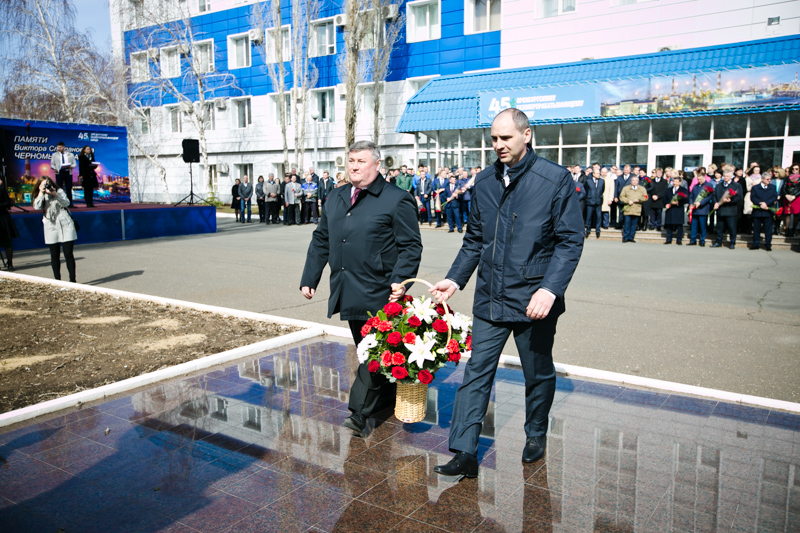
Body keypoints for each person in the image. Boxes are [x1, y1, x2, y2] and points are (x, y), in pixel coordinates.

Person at [429, 108, 583, 478]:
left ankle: (536, 434)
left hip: (535, 300)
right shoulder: (484, 181)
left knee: (538, 372)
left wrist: (550, 289)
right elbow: (474, 241)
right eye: (494, 139)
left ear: (526, 135)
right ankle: (465, 452)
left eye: (506, 138)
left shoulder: (554, 179)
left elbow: (569, 241)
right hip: (490, 297)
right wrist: (455, 279)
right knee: (477, 371)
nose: (497, 145)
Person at [300, 140, 422, 434]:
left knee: (372, 352)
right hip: (347, 287)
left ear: (377, 165)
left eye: (361, 161)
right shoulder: (337, 196)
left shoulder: (396, 199)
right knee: (367, 350)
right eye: (351, 160)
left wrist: (400, 279)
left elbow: (410, 246)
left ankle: (358, 412)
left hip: (380, 290)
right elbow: (322, 239)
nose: (354, 166)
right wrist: (310, 277)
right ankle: (386, 394)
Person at [33, 177, 78, 282]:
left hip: (65, 223)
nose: (46, 186)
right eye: (43, 185)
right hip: (51, 226)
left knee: (68, 254)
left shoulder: (59, 191)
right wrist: (41, 193)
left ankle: (73, 280)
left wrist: (55, 195)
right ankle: (57, 280)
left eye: (47, 184)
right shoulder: (41, 195)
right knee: (54, 254)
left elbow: (66, 203)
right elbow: (37, 207)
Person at [711, 168, 743, 249]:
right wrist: (715, 202)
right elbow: (714, 195)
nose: (725, 178)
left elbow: (739, 197)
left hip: (731, 210)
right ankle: (718, 242)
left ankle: (732, 242)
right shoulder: (719, 185)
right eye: (724, 176)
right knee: (719, 227)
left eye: (727, 176)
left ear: (731, 177)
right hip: (721, 210)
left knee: (732, 227)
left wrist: (730, 200)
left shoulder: (736, 185)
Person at [750, 172, 778, 251]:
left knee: (768, 229)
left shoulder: (772, 187)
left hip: (768, 212)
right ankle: (756, 244)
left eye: (770, 179)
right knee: (756, 229)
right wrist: (760, 204)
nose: (769, 181)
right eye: (767, 179)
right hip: (758, 212)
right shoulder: (755, 188)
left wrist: (766, 204)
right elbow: (753, 197)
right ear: (762, 179)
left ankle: (768, 244)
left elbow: (774, 197)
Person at [619, 176, 648, 243]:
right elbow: (621, 197)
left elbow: (646, 196)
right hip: (628, 209)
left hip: (636, 209)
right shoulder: (625, 188)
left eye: (636, 180)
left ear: (638, 182)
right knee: (627, 224)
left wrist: (639, 200)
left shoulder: (642, 188)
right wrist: (628, 201)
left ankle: (631, 237)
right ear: (631, 181)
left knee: (634, 225)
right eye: (633, 180)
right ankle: (626, 237)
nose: (634, 182)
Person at [689, 170, 713, 247]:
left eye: (701, 179)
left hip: (703, 209)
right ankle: (693, 240)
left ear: (704, 177)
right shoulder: (695, 186)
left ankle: (702, 240)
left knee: (703, 226)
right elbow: (691, 196)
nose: (699, 181)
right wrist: (691, 204)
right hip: (695, 209)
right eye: (698, 179)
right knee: (694, 226)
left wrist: (700, 203)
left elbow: (709, 197)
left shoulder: (708, 185)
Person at [0, 176, 19, 271]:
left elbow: (8, 202)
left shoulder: (1, 188)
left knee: (7, 242)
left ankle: (10, 263)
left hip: (2, 218)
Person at [663, 175, 688, 245]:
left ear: (680, 182)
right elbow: (664, 199)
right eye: (674, 181)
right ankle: (669, 239)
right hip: (670, 210)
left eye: (676, 182)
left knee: (679, 226)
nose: (674, 183)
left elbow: (686, 200)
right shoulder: (668, 190)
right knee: (669, 225)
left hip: (678, 210)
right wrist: (666, 204)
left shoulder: (683, 190)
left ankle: (679, 240)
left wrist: (678, 203)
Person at [50, 142, 76, 207]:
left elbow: (74, 164)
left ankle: (70, 203)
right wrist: (54, 168)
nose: (59, 148)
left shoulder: (70, 155)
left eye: (60, 147)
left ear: (64, 147)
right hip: (59, 173)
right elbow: (52, 164)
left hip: (68, 172)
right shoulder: (54, 155)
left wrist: (71, 166)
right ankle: (59, 203)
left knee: (69, 188)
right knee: (59, 188)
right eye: (58, 147)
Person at [780, 165, 800, 237]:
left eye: (796, 169)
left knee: (796, 214)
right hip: (787, 197)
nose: (794, 170)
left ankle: (793, 230)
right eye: (793, 169)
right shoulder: (787, 178)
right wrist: (786, 195)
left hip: (796, 197)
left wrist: (795, 196)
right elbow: (784, 188)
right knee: (787, 213)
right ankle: (787, 229)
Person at [584, 170, 604, 238]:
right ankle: (588, 230)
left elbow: (602, 189)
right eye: (597, 173)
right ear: (593, 174)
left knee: (599, 216)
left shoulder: (602, 181)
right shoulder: (588, 181)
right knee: (589, 216)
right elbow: (585, 190)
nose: (599, 174)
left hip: (598, 201)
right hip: (590, 201)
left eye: (599, 173)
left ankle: (598, 230)